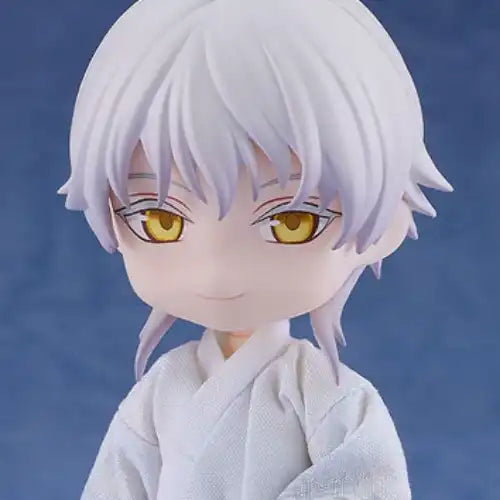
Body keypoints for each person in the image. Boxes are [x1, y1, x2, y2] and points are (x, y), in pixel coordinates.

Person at [58, 0, 453, 498]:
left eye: (291, 222)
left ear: (385, 225)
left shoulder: (325, 397)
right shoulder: (164, 390)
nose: (217, 272)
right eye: (160, 220)